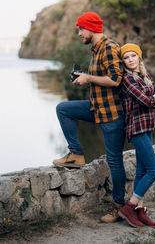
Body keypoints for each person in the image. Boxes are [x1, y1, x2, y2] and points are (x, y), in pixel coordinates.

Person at [53, 12, 126, 223]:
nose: (78, 33)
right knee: (63, 108)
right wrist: (83, 78)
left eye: (80, 29)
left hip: (112, 114)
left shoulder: (110, 47)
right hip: (96, 108)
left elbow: (115, 80)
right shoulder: (96, 49)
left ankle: (119, 206)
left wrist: (88, 78)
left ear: (91, 28)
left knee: (114, 161)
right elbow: (100, 78)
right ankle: (75, 154)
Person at [118, 43, 155, 228]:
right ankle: (130, 206)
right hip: (136, 128)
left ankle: (139, 211)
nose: (130, 60)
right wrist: (153, 98)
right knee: (153, 171)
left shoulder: (144, 75)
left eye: (133, 56)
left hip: (148, 125)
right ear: (124, 61)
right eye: (126, 57)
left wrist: (154, 98)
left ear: (139, 57)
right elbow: (147, 100)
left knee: (142, 171)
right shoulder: (127, 79)